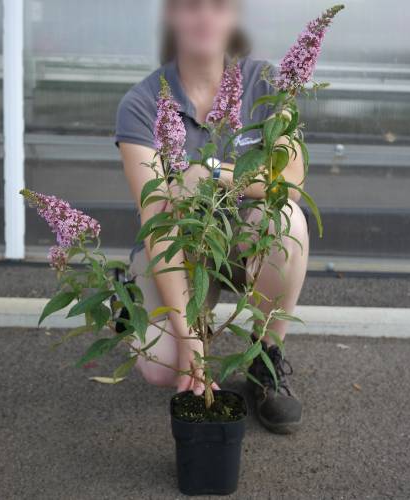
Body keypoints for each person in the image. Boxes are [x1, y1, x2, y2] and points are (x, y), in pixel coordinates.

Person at [116, 0, 309, 435]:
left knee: (288, 221)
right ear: (170, 15)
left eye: (218, 6)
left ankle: (265, 360)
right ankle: (132, 301)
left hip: (244, 241)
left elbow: (290, 183)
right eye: (190, 6)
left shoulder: (268, 83)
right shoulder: (142, 104)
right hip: (180, 249)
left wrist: (212, 173)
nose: (205, 18)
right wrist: (188, 341)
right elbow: (159, 223)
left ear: (234, 15)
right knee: (162, 367)